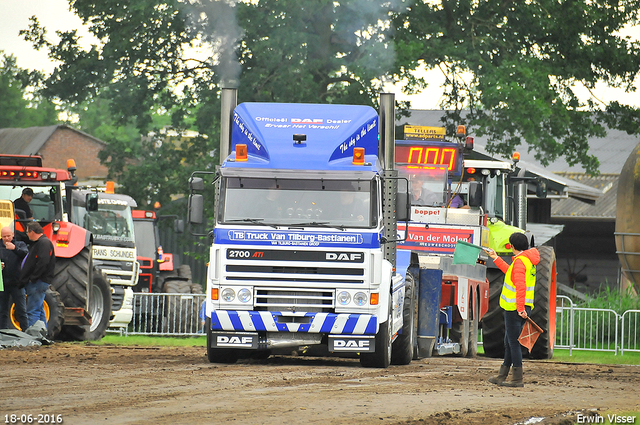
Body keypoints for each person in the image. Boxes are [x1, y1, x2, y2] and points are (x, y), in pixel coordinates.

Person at [485, 232, 539, 387]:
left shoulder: (521, 262)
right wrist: (495, 257)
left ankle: (517, 379)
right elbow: (510, 272)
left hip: (515, 308)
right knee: (509, 342)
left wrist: (520, 308)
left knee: (513, 343)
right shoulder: (526, 260)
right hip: (520, 307)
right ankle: (502, 376)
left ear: (512, 246)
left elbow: (520, 286)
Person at [19, 221, 56, 328]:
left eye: (27, 232)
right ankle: (42, 334)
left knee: (32, 310)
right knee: (39, 310)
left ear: (32, 231)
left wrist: (33, 278)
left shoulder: (43, 243)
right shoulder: (40, 243)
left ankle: (33, 336)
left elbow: (43, 262)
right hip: (38, 281)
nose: (27, 234)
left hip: (37, 282)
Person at [0, 227, 29, 330]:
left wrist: (14, 249)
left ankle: (25, 332)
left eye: (8, 236)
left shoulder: (20, 245)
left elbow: (26, 254)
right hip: (2, 284)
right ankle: (3, 332)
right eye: (4, 236)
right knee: (2, 310)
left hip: (17, 283)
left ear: (13, 234)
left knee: (21, 310)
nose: (7, 238)